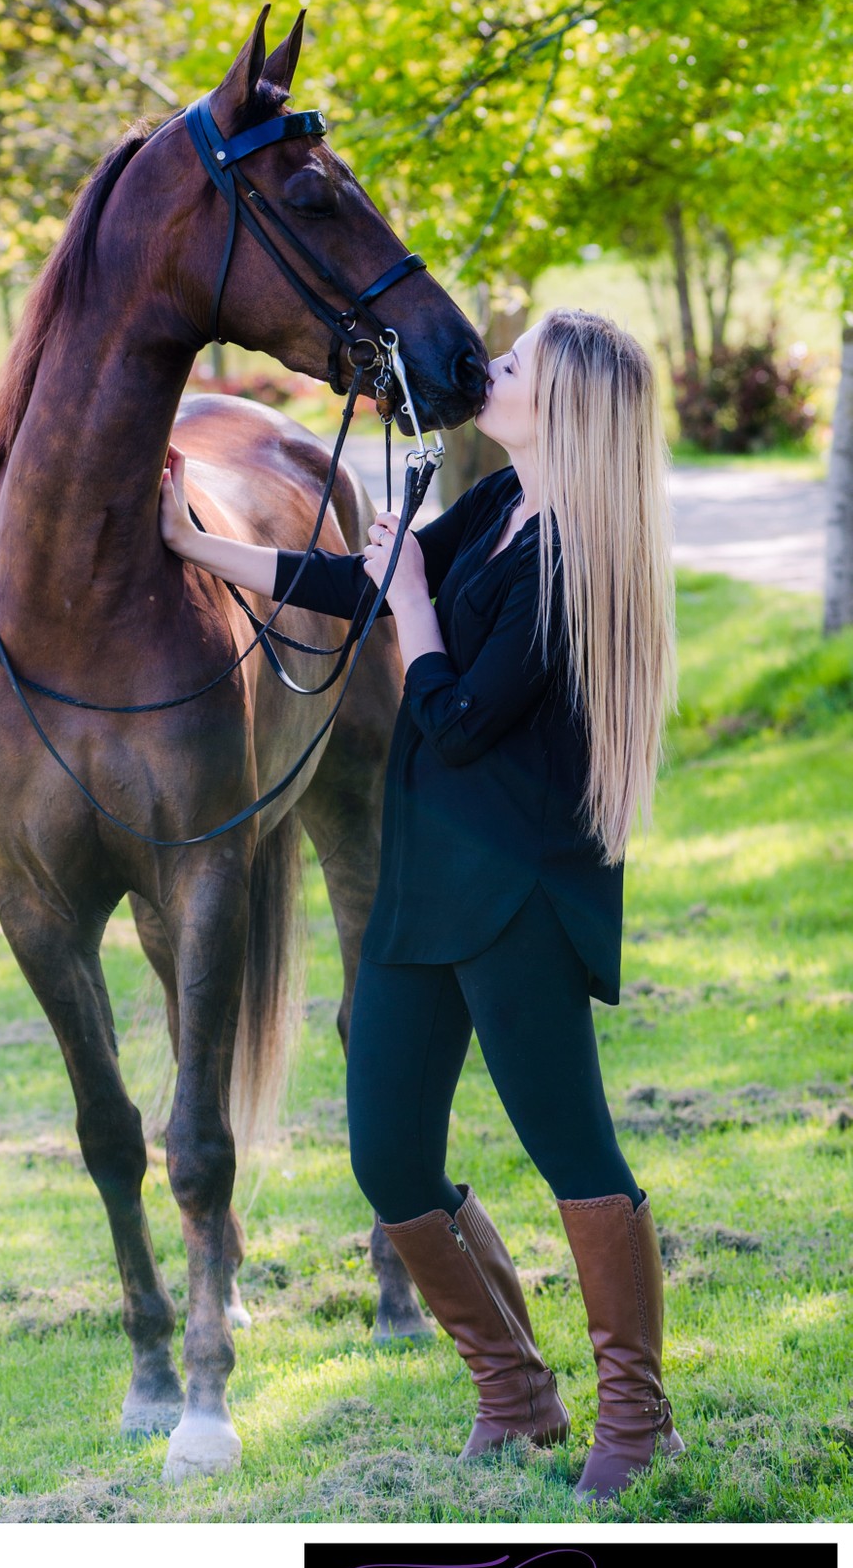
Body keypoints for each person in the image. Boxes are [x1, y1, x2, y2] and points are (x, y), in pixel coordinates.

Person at [158, 307, 684, 1504]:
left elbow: (449, 714)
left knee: (572, 1150)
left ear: (564, 406)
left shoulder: (575, 561)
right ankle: (515, 1394)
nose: (485, 372)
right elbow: (359, 585)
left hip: (519, 891)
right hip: (423, 879)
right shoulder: (498, 512)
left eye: (512, 366)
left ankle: (636, 1417)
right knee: (389, 1154)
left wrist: (412, 604)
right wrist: (202, 548)